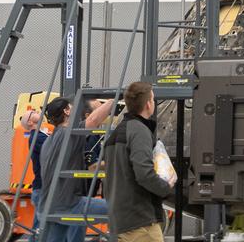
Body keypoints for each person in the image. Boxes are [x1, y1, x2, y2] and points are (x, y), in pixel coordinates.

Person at [38, 94, 116, 242]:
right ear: (67, 111)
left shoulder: (49, 141)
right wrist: (115, 98)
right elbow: (93, 120)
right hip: (69, 204)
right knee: (119, 208)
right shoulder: (70, 133)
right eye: (72, 107)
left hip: (48, 205)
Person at [105, 80, 175, 242]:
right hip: (140, 222)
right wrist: (165, 188)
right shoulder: (139, 131)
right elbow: (144, 173)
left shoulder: (117, 133)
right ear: (148, 104)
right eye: (153, 99)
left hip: (120, 217)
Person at [19, 107, 48, 226]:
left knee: (39, 227)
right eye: (33, 113)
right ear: (30, 122)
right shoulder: (37, 137)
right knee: (40, 228)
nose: (37, 112)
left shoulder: (41, 135)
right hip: (42, 187)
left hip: (41, 187)